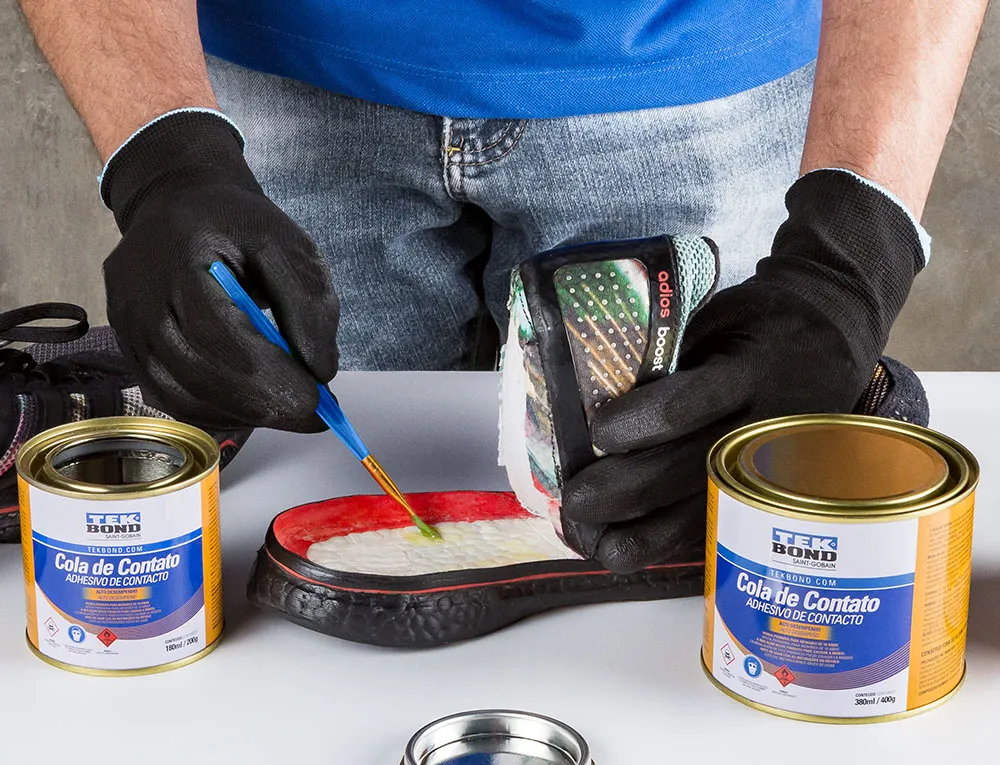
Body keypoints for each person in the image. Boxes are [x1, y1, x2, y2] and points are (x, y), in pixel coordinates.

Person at [11, 0, 989, 570]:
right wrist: (164, 157)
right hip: (266, 75)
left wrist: (846, 257)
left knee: (672, 554)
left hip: (700, 79)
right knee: (291, 531)